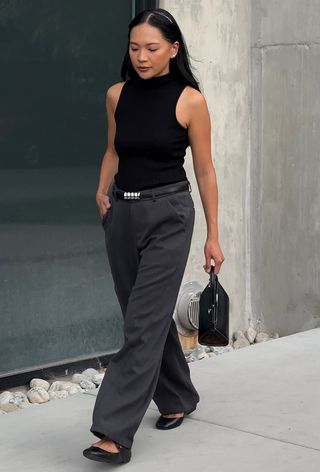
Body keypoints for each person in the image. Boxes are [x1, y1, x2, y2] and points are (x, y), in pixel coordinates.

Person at [83, 7, 225, 465]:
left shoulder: (190, 101)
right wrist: (102, 191)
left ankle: (113, 431)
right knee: (145, 315)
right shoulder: (116, 95)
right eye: (134, 48)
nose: (141, 57)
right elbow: (113, 150)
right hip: (122, 214)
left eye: (152, 48)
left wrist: (214, 236)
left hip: (168, 214)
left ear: (173, 49)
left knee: (140, 324)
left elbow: (204, 169)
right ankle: (178, 394)